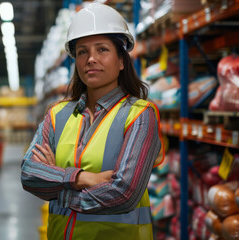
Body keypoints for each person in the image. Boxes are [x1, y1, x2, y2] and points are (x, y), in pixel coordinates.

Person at [21, 2, 165, 240]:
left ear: (121, 61)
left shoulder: (139, 115)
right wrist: (81, 178)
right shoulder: (57, 114)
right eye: (82, 52)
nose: (91, 59)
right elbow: (29, 174)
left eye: (102, 50)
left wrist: (59, 185)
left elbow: (123, 193)